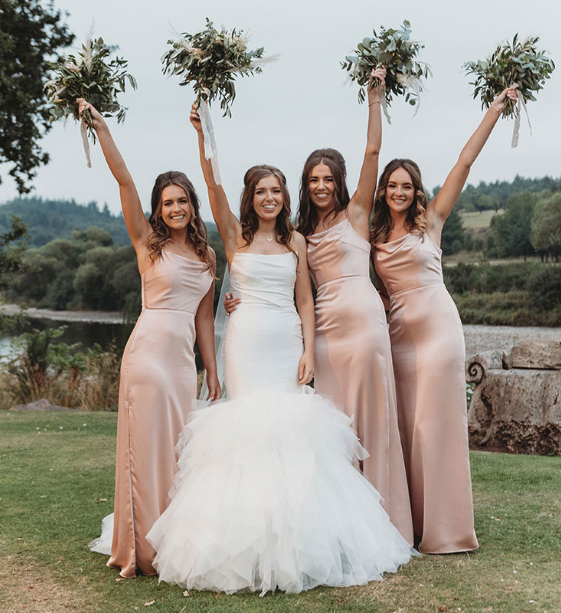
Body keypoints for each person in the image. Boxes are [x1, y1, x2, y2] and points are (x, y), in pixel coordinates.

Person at [144, 104, 415, 595]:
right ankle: (241, 547)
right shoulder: (233, 236)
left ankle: (298, 543)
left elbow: (306, 299)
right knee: (247, 432)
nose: (269, 198)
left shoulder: (298, 240)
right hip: (246, 341)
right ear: (251, 198)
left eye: (276, 191)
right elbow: (213, 185)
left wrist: (310, 349)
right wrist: (205, 135)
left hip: (286, 338)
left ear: (284, 198)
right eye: (261, 192)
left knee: (292, 433)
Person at [223, 68, 413, 542]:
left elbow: (373, 152)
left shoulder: (356, 216)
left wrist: (375, 96)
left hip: (363, 325)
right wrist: (237, 299)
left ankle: (385, 522)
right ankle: (337, 524)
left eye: (328, 178)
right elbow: (286, 287)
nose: (321, 186)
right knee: (327, 428)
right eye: (313, 179)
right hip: (320, 336)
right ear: (304, 187)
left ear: (340, 182)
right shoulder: (299, 237)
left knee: (370, 418)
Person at [370, 87, 519, 554]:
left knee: (437, 426)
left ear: (417, 191)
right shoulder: (371, 236)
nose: (399, 192)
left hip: (437, 331)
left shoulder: (430, 221)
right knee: (407, 426)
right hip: (397, 336)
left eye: (406, 186)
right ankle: (411, 524)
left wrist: (495, 110)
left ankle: (446, 530)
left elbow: (464, 163)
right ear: (383, 191)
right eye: (392, 186)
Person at [80, 98, 220, 578]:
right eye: (168, 202)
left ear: (192, 206)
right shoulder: (146, 243)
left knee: (178, 453)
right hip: (146, 356)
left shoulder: (207, 256)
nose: (176, 208)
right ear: (158, 210)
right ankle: (141, 550)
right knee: (144, 451)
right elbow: (124, 181)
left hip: (182, 364)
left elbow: (205, 322)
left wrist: (213, 374)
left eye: (182, 201)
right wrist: (102, 130)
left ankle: (175, 543)